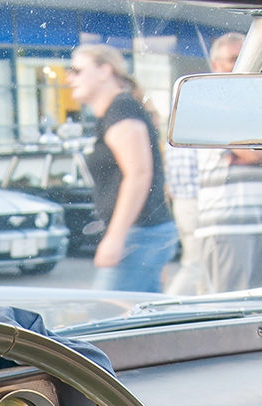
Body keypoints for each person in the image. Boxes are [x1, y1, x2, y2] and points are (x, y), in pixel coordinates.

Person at [192, 32, 262, 293]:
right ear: (216, 65)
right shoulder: (211, 101)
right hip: (228, 221)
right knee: (230, 309)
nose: (244, 66)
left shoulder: (261, 102)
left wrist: (256, 152)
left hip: (259, 218)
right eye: (234, 59)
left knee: (252, 305)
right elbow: (251, 153)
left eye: (250, 59)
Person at [69, 43, 177, 292]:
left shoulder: (121, 109)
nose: (69, 78)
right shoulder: (117, 111)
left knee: (111, 316)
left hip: (138, 235)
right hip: (142, 235)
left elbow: (139, 174)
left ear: (105, 70)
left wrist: (116, 238)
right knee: (137, 319)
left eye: (77, 70)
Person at [164, 145, 206, 295]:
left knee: (201, 264)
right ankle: (163, 306)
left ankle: (207, 307)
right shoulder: (195, 142)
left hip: (181, 204)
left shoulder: (174, 141)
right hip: (196, 203)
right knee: (195, 264)